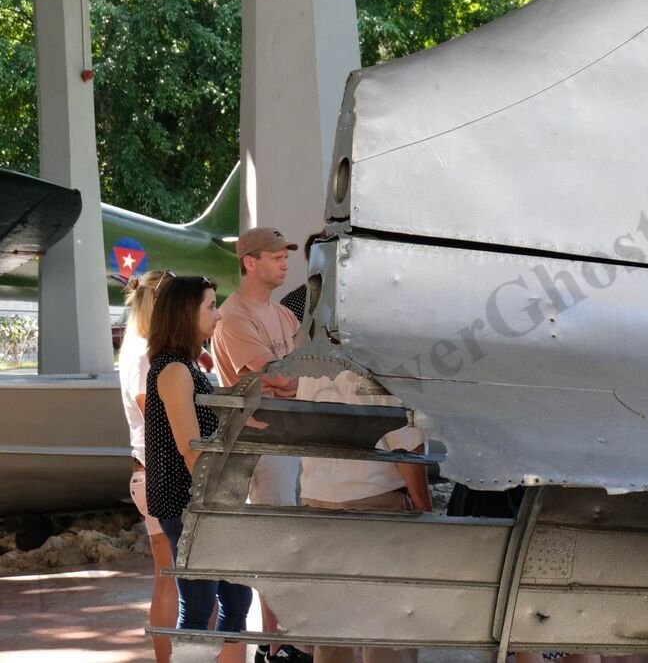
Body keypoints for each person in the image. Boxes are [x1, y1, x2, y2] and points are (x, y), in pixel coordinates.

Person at [210, 226, 310, 663]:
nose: (285, 263)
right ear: (250, 262)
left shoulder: (284, 315)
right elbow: (282, 378)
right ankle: (277, 646)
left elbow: (300, 377)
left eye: (285, 256)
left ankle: (286, 640)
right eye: (275, 257)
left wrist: (294, 380)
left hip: (293, 441)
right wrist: (293, 380)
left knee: (294, 542)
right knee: (277, 544)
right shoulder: (233, 315)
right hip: (264, 445)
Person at [144, 275, 251, 663]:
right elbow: (191, 450)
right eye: (210, 306)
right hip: (191, 505)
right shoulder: (174, 369)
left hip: (200, 503)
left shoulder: (185, 364)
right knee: (201, 605)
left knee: (236, 598)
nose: (218, 315)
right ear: (186, 313)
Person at [298, 369, 432, 663]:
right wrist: (424, 509)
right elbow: (405, 443)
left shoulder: (314, 351)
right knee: (388, 626)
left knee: (332, 628)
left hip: (317, 496)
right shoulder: (379, 354)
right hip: (373, 500)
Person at [119, 270, 178, 663]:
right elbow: (156, 412)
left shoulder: (136, 346)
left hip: (149, 471)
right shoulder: (144, 353)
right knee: (171, 579)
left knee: (168, 577)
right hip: (159, 472)